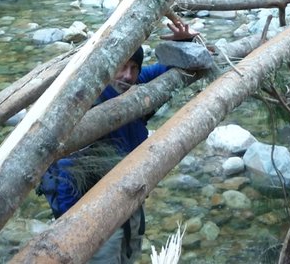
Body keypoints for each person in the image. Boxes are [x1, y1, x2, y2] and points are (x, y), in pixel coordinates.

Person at [37, 19, 200, 264]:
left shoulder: (131, 85)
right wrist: (72, 233)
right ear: (107, 66)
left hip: (129, 204)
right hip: (93, 220)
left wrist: (185, 42)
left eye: (134, 67)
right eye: (122, 66)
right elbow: (66, 175)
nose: (128, 75)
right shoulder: (85, 102)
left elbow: (168, 67)